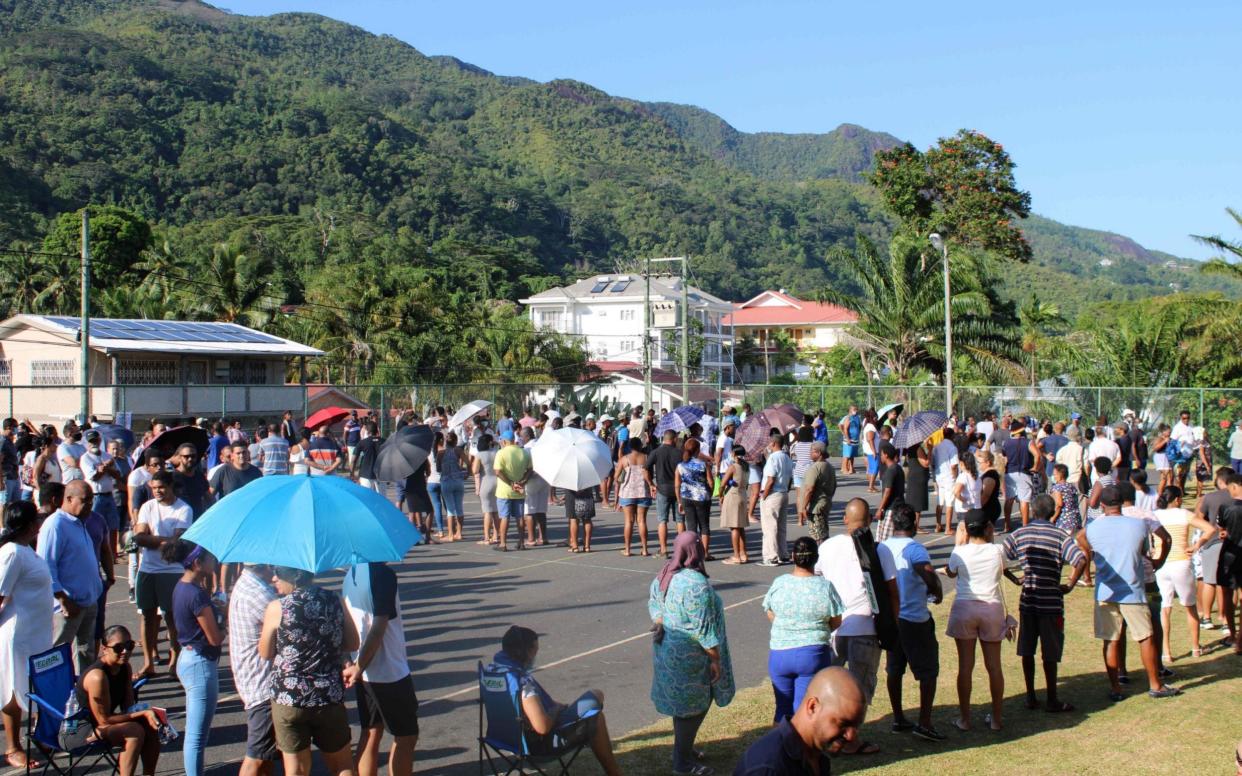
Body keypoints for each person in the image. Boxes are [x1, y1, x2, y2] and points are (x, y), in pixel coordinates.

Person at [1078, 486, 1181, 699]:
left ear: (1102, 505)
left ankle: (1116, 687)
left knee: (1111, 639)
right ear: (1122, 503)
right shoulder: (1138, 525)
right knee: (1146, 637)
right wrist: (1158, 562)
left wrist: (1092, 551)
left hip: (1105, 590)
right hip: (1133, 589)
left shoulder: (1093, 527)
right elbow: (1146, 549)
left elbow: (1080, 539)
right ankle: (1155, 684)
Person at [812, 498, 895, 755]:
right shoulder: (880, 550)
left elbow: (818, 580)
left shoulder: (827, 547)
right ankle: (851, 741)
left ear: (845, 519)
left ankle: (826, 735)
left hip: (835, 627)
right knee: (859, 689)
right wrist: (892, 625)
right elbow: (892, 591)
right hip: (866, 628)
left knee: (829, 687)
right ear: (869, 520)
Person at [259, 566, 360, 776]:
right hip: (328, 694)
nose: (274, 578)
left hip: (290, 696)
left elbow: (266, 652)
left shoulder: (279, 607)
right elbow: (353, 643)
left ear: (294, 577)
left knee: (296, 769)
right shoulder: (334, 600)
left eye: (279, 573)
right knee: (342, 764)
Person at [649, 532, 735, 775]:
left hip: (667, 650)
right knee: (694, 706)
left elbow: (654, 604)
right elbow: (703, 629)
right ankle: (682, 762)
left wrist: (661, 620)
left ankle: (683, 749)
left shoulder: (666, 573)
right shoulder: (696, 585)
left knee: (682, 705)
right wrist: (715, 658)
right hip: (691, 655)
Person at [485, 626, 623, 775]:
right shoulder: (520, 682)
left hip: (503, 739)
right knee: (596, 711)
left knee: (593, 704)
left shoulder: (491, 672)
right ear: (526, 652)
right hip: (537, 746)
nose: (535, 656)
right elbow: (542, 727)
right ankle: (614, 773)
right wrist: (555, 710)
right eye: (535, 651)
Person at [1002, 494, 1087, 713]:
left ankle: (1030, 695)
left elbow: (1001, 557)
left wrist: (1015, 578)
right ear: (1052, 512)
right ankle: (1052, 698)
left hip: (1028, 598)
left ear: (1032, 511)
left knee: (1027, 649)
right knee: (1050, 652)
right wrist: (1068, 584)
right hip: (1051, 600)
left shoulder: (1020, 533)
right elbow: (1080, 559)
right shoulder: (1060, 535)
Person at [342, 563, 420, 776]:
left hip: (365, 668)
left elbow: (346, 620)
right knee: (406, 736)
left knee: (370, 732)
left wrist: (350, 661)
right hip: (389, 671)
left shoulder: (352, 573)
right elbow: (378, 627)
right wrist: (358, 666)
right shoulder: (383, 574)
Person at [878, 504, 945, 741]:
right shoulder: (915, 549)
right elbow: (927, 571)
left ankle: (898, 717)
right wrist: (936, 589)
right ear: (914, 525)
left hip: (893, 619)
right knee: (928, 671)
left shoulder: (883, 547)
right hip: (915, 618)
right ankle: (924, 722)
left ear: (894, 525)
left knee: (894, 669)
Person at [763, 537, 843, 722]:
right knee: (805, 710)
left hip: (780, 654)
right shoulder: (825, 586)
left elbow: (769, 611)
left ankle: (780, 749)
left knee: (782, 709)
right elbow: (836, 620)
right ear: (816, 558)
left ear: (792, 556)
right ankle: (802, 749)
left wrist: (786, 626)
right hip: (812, 654)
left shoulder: (780, 583)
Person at [732, 667, 867, 776]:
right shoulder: (767, 768)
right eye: (843, 724)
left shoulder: (817, 755)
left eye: (856, 726)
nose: (851, 736)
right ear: (812, 707)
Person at [944, 511, 1008, 730]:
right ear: (988, 527)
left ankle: (965, 718)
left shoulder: (959, 552)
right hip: (991, 608)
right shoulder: (998, 550)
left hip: (965, 607)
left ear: (966, 529)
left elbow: (951, 573)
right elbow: (1003, 569)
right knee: (994, 666)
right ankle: (997, 719)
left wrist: (958, 543)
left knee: (965, 666)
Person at [0, 501, 52, 769]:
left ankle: (39, 735)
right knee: (13, 688)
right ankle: (12, 747)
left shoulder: (25, 550)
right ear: (30, 525)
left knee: (34, 686)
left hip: (36, 632)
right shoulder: (11, 553)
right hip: (17, 634)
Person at [36, 479, 104, 674]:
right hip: (67, 607)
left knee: (85, 652)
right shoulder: (55, 525)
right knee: (57, 655)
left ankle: (82, 696)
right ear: (68, 498)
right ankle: (54, 698)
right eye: (85, 500)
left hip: (88, 601)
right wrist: (63, 599)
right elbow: (46, 566)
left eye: (91, 500)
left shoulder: (80, 522)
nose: (90, 505)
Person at [167, 541, 223, 776]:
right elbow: (215, 638)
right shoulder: (197, 595)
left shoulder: (182, 587)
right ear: (198, 563)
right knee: (197, 736)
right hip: (200, 664)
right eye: (210, 558)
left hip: (188, 657)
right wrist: (224, 620)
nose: (214, 561)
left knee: (196, 733)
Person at [77, 625, 162, 776]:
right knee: (134, 731)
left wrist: (148, 715)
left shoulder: (125, 667)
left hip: (103, 724)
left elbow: (129, 707)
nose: (125, 651)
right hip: (82, 730)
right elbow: (104, 720)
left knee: (151, 724)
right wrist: (142, 714)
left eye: (129, 645)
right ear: (104, 649)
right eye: (118, 648)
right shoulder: (97, 676)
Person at [133, 470, 193, 678]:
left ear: (170, 486)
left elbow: (176, 543)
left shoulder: (184, 509)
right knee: (147, 617)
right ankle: (148, 663)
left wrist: (152, 539)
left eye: (161, 488)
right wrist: (163, 540)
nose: (157, 491)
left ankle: (175, 661)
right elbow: (139, 538)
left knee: (171, 618)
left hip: (172, 570)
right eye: (154, 488)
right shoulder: (147, 507)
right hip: (147, 568)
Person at [1152, 486, 1215, 662]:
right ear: (1178, 499)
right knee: (1190, 606)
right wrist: (1196, 546)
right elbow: (1209, 529)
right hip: (1181, 562)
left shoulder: (1155, 515)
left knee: (1165, 607)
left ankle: (1166, 652)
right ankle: (1195, 647)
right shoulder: (1183, 514)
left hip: (1162, 564)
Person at [229, 565, 280, 776]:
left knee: (266, 754)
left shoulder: (247, 584)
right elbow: (288, 625)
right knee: (257, 757)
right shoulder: (259, 594)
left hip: (253, 679)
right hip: (262, 684)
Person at [1194, 466, 1235, 631]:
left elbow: (1198, 518)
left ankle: (1206, 617)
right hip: (1233, 543)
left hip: (1212, 542)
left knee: (1209, 581)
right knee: (1227, 585)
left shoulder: (1210, 497)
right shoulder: (1237, 497)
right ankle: (1226, 620)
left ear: (1220, 481)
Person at [613, 440, 654, 557]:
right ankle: (645, 549)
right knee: (642, 521)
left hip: (627, 492)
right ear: (640, 445)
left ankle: (627, 549)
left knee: (629, 521)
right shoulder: (646, 457)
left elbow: (616, 477)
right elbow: (649, 473)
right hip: (643, 492)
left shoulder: (624, 459)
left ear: (630, 447)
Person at [676, 438, 715, 559]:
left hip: (686, 497)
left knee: (691, 526)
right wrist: (710, 493)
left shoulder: (680, 465)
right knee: (704, 525)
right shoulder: (703, 464)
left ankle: (692, 553)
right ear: (698, 450)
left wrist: (679, 501)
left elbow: (677, 484)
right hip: (702, 497)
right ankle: (705, 553)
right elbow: (711, 482)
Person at [493, 429, 531, 552]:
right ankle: (521, 542)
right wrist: (523, 481)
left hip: (505, 490)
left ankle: (503, 544)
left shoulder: (501, 453)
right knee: (519, 517)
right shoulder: (524, 452)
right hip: (519, 489)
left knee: (504, 517)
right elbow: (530, 470)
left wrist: (510, 483)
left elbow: (498, 471)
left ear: (504, 441)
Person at [757, 436, 792, 567]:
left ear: (774, 443)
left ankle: (771, 556)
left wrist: (764, 496)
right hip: (783, 492)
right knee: (781, 527)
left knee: (769, 527)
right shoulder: (786, 457)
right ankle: (783, 554)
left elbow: (770, 479)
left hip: (772, 494)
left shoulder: (773, 458)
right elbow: (790, 478)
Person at [647, 431, 682, 558]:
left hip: (662, 488)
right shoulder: (679, 452)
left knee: (662, 520)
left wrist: (651, 484)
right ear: (673, 439)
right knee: (680, 520)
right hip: (678, 488)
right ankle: (681, 549)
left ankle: (663, 549)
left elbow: (645, 468)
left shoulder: (656, 452)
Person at [1003, 420, 1038, 531]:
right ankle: (1025, 526)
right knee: (1024, 500)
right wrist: (1035, 467)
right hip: (1024, 472)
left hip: (1009, 473)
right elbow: (1037, 455)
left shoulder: (1006, 443)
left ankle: (1007, 524)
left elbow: (1004, 458)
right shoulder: (1028, 442)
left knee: (1009, 499)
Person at [797, 442, 835, 542]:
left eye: (812, 451)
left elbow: (809, 489)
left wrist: (803, 507)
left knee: (817, 536)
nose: (810, 453)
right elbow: (834, 486)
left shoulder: (815, 468)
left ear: (819, 453)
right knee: (824, 532)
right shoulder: (829, 466)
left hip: (815, 507)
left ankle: (821, 555)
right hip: (825, 503)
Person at [719, 447, 751, 564]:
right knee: (741, 526)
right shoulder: (746, 467)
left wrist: (720, 495)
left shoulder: (733, 467)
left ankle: (736, 555)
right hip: (743, 495)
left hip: (733, 496)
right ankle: (743, 554)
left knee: (734, 527)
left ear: (733, 453)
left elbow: (722, 484)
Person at [438, 432, 468, 542]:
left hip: (446, 480)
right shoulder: (458, 451)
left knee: (450, 509)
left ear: (446, 441)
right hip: (458, 480)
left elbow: (438, 469)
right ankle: (459, 533)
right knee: (459, 507)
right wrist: (467, 473)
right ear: (455, 441)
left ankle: (450, 534)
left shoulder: (441, 453)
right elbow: (468, 462)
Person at [872, 445, 905, 543]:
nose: (880, 457)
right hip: (898, 506)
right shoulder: (898, 468)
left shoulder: (891, 471)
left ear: (886, 455)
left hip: (891, 508)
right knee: (887, 536)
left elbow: (887, 491)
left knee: (886, 538)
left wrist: (880, 509)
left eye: (881, 454)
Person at [171, 444, 211, 520]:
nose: (190, 459)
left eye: (193, 456)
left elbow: (208, 497)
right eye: (186, 456)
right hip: (180, 522)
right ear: (179, 458)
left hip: (198, 520)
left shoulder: (199, 475)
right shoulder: (172, 478)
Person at [932, 427, 960, 534]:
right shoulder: (952, 447)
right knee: (949, 502)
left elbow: (933, 461)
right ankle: (948, 527)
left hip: (939, 476)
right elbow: (954, 465)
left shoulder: (937, 446)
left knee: (940, 501)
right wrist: (955, 476)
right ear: (952, 436)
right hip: (949, 477)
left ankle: (938, 525)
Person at [473, 434, 499, 546]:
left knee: (487, 511)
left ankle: (487, 537)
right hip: (497, 481)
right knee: (496, 510)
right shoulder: (496, 452)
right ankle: (496, 536)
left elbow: (475, 470)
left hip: (486, 481)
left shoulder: (479, 455)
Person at [904, 440, 930, 533]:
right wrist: (930, 450)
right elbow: (925, 463)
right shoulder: (918, 448)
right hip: (918, 477)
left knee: (913, 501)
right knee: (917, 502)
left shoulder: (909, 448)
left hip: (913, 475)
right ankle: (916, 526)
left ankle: (914, 525)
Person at [1049, 463, 1081, 535]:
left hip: (1064, 522)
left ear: (1060, 474)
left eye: (1055, 474)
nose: (1054, 476)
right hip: (1075, 520)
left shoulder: (1058, 488)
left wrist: (1052, 518)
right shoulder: (1071, 486)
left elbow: (1059, 504)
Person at [352, 422, 383, 493]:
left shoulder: (362, 442)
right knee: (382, 500)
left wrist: (352, 474)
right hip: (381, 475)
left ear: (367, 431)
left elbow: (353, 460)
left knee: (366, 499)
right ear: (377, 431)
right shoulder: (384, 441)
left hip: (365, 474)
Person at [860, 410, 880, 493]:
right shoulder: (870, 427)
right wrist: (874, 451)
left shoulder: (869, 426)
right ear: (872, 417)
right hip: (872, 452)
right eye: (875, 417)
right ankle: (871, 487)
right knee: (874, 469)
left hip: (871, 451)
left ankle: (871, 486)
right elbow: (870, 439)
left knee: (872, 469)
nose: (876, 419)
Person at [838, 405, 861, 476]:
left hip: (855, 439)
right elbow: (845, 428)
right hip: (849, 439)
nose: (856, 411)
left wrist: (858, 434)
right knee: (847, 455)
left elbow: (859, 426)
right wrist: (847, 438)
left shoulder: (857, 417)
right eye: (854, 409)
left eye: (856, 409)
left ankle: (851, 469)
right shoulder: (848, 418)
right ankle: (844, 469)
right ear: (850, 410)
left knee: (852, 455)